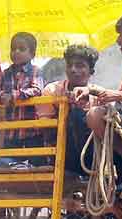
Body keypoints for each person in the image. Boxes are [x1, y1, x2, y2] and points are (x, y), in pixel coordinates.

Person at [75, 11, 122, 184]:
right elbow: (119, 97)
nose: (118, 41)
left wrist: (119, 95)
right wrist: (92, 91)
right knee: (94, 115)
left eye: (121, 35)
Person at [37, 44, 100, 177]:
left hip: (91, 153)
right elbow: (45, 126)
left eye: (79, 65)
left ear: (91, 71)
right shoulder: (52, 90)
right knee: (74, 115)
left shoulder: (99, 95)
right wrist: (66, 105)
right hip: (60, 151)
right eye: (69, 65)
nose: (73, 69)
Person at [0, 32, 44, 154]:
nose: (16, 52)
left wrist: (14, 96)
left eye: (21, 49)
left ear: (32, 54)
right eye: (13, 49)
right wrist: (1, 96)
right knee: (9, 164)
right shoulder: (5, 73)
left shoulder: (35, 71)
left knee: (35, 163)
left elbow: (37, 90)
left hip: (31, 131)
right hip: (11, 132)